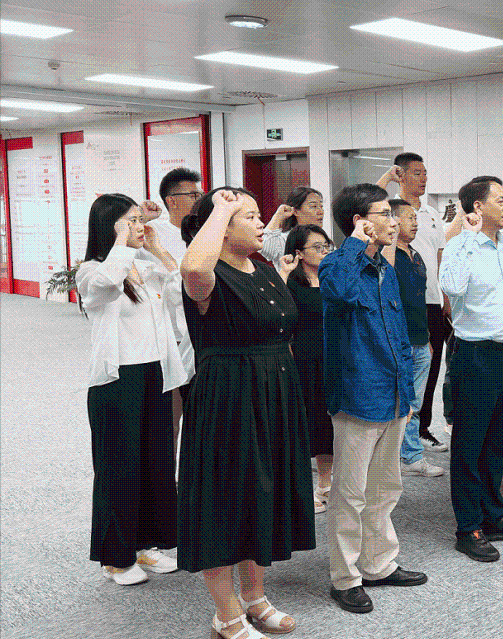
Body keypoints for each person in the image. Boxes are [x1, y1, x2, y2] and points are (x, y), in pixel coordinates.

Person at [179, 188, 315, 638]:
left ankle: (255, 598)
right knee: (223, 502)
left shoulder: (265, 269)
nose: (262, 224)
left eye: (259, 216)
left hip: (274, 394)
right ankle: (227, 613)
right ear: (220, 227)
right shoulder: (207, 274)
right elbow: (193, 267)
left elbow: (284, 332)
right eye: (250, 217)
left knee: (261, 496)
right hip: (228, 399)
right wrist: (220, 208)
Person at [320, 184, 427, 614]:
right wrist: (355, 246)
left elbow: (398, 332)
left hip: (393, 392)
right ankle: (345, 578)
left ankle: (379, 563)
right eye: (385, 214)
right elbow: (341, 293)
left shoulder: (386, 268)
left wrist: (408, 392)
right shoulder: (336, 264)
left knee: (385, 487)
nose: (394, 221)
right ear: (359, 222)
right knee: (350, 493)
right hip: (358, 395)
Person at [79, 194, 186, 586]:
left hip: (156, 374)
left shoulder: (145, 266)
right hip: (116, 381)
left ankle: (145, 545)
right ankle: (116, 558)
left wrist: (156, 248)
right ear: (110, 226)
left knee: (156, 463)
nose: (140, 227)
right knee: (118, 469)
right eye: (131, 221)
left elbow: (181, 289)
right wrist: (124, 241)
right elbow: (107, 283)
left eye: (141, 220)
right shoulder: (92, 270)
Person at [439, 176, 503, 562]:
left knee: (497, 444)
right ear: (478, 207)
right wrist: (466, 237)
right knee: (469, 446)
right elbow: (453, 287)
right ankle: (468, 528)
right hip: (474, 355)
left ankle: (492, 515)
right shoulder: (460, 245)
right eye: (500, 199)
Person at [377, 154, 449, 452]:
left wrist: (445, 298)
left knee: (429, 368)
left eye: (425, 172)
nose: (423, 178)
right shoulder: (389, 209)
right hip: (402, 305)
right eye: (417, 173)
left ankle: (422, 429)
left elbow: (441, 256)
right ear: (402, 175)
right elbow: (368, 203)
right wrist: (386, 177)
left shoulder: (430, 213)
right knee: (403, 373)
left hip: (431, 300)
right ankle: (399, 441)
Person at [276, 224, 337, 514]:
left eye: (327, 246)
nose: (324, 252)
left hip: (331, 359)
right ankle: (299, 491)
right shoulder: (289, 282)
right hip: (299, 361)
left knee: (327, 425)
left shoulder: (332, 278)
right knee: (301, 426)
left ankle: (325, 483)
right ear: (299, 253)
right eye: (317, 247)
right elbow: (278, 320)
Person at [387, 198, 444, 479]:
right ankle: (408, 456)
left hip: (422, 340)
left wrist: (428, 338)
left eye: (415, 217)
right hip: (399, 341)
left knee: (415, 403)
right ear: (393, 221)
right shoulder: (387, 257)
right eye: (409, 217)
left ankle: (408, 453)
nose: (415, 222)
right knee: (404, 402)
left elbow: (419, 302)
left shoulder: (417, 255)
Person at [150, 167, 202, 455]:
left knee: (202, 421)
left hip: (202, 337)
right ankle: (167, 478)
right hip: (168, 338)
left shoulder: (205, 233)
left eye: (200, 193)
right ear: (171, 200)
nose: (198, 199)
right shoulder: (154, 233)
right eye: (192, 194)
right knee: (169, 420)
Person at [259, 186, 325, 261]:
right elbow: (263, 246)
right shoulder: (285, 240)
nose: (320, 212)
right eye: (314, 206)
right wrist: (278, 216)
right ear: (296, 211)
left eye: (321, 206)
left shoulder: (324, 240)